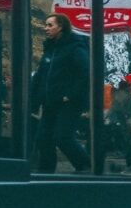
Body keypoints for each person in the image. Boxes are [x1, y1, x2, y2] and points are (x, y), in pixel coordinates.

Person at [29, 13, 91, 172]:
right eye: (46, 25)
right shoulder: (50, 49)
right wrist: (33, 101)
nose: (46, 28)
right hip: (50, 102)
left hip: (68, 102)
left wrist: (70, 95)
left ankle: (85, 166)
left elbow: (85, 71)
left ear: (61, 26)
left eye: (50, 25)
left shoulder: (75, 46)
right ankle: (45, 172)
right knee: (43, 139)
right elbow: (40, 76)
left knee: (62, 137)